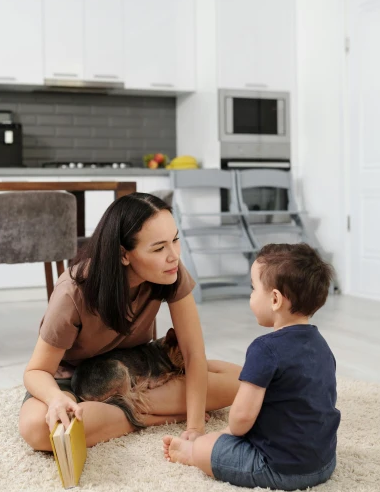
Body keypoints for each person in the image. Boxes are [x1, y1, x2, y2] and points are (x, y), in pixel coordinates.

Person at [19, 192, 241, 450]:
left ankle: (117, 413)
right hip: (72, 379)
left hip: (141, 372)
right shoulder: (73, 291)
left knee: (245, 383)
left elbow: (193, 353)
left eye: (175, 240)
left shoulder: (170, 271)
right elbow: (36, 371)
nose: (173, 255)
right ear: (123, 254)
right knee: (37, 430)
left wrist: (194, 428)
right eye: (159, 248)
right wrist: (56, 399)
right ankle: (149, 416)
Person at [163, 243, 340, 491]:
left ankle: (190, 454)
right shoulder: (321, 345)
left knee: (206, 446)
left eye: (253, 288)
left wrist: (223, 435)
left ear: (275, 299)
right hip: (323, 463)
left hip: (277, 467)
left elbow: (241, 419)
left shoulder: (264, 349)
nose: (251, 295)